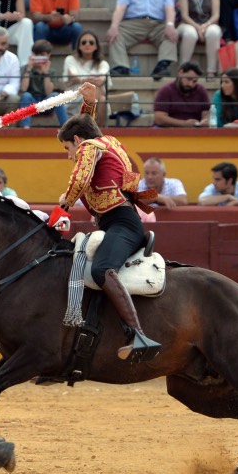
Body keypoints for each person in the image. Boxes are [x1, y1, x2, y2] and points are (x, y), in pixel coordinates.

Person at [55, 81, 161, 362]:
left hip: (122, 224)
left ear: (77, 141)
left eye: (68, 149)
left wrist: (64, 204)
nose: (70, 156)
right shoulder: (106, 141)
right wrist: (89, 104)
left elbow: (80, 176)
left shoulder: (88, 146)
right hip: (118, 223)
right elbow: (87, 128)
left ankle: (136, 333)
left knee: (102, 269)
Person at [107, 0, 177, 81]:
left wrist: (170, 25)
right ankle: (121, 67)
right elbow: (120, 8)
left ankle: (162, 66)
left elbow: (170, 9)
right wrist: (114, 26)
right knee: (115, 34)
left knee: (171, 34)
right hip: (133, 23)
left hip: (157, 24)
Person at [177, 0, 221, 78]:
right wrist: (198, 27)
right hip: (188, 23)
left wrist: (205, 26)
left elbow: (216, 15)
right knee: (190, 34)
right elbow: (184, 15)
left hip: (208, 22)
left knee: (214, 32)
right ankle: (183, 69)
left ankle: (211, 71)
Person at [18, 38, 68, 128]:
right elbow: (23, 88)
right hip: (31, 103)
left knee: (55, 95)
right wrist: (29, 69)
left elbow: (48, 92)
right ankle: (25, 127)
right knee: (26, 95)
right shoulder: (26, 69)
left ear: (48, 56)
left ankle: (66, 127)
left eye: (42, 55)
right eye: (36, 55)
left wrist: (46, 72)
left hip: (46, 104)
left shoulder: (51, 71)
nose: (39, 58)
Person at [63, 31, 110, 126]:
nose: (87, 44)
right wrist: (92, 80)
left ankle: (99, 130)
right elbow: (73, 76)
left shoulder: (103, 64)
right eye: (84, 42)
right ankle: (95, 130)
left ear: (96, 46)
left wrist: (81, 80)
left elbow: (101, 80)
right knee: (96, 92)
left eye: (91, 42)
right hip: (75, 97)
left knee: (101, 98)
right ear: (79, 46)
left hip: (97, 100)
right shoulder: (70, 59)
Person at [152, 61, 210, 127]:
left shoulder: (201, 90)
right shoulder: (166, 90)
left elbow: (206, 113)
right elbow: (159, 118)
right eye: (189, 79)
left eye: (194, 81)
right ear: (180, 72)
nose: (191, 84)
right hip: (168, 131)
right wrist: (184, 124)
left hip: (194, 132)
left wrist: (205, 121)